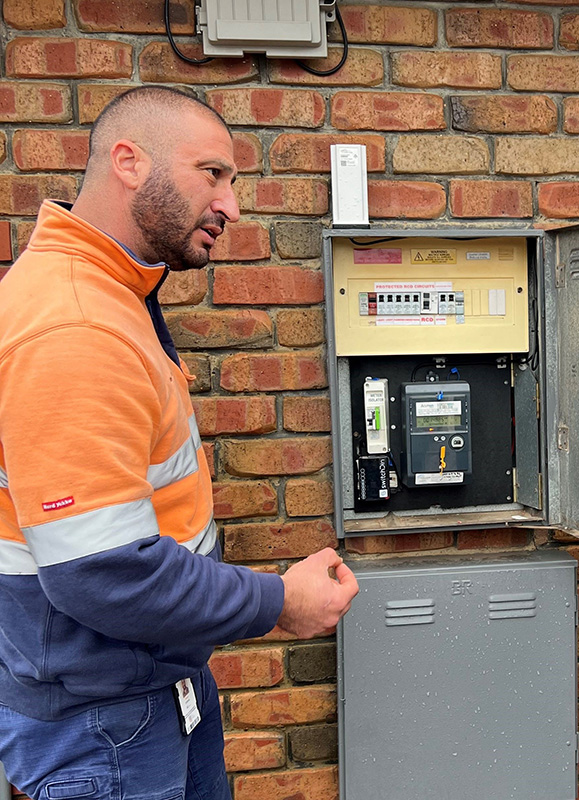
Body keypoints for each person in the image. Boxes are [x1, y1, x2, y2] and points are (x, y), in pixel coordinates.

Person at [0, 86, 358, 799]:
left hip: (150, 691)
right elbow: (104, 571)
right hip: (103, 724)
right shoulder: (77, 325)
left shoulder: (112, 296)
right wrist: (279, 601)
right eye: (213, 174)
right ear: (128, 162)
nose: (231, 205)